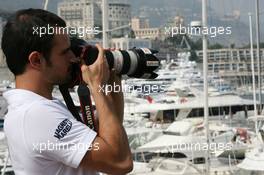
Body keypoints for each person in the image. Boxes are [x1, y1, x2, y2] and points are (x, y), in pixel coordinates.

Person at [1, 8, 133, 175]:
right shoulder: (35, 114)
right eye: (64, 52)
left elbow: (111, 136)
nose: (73, 57)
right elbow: (120, 161)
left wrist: (112, 79)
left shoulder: (31, 109)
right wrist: (96, 85)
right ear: (36, 60)